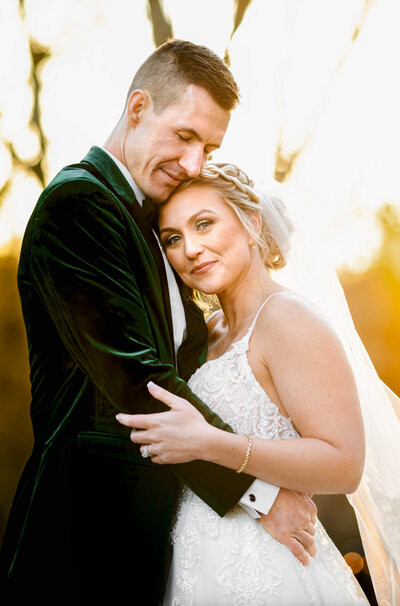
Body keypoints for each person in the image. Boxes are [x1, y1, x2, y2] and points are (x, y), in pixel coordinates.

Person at [0, 41, 318, 606]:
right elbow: (139, 386)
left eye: (210, 146)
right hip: (85, 543)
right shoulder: (78, 206)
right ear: (138, 106)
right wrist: (262, 491)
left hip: (161, 542)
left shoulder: (150, 221)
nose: (195, 164)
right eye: (185, 136)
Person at [117, 162, 400, 605]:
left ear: (251, 222)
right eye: (173, 238)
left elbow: (344, 463)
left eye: (204, 224)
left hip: (267, 567)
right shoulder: (205, 332)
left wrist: (210, 443)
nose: (191, 248)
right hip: (195, 560)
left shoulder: (288, 317)